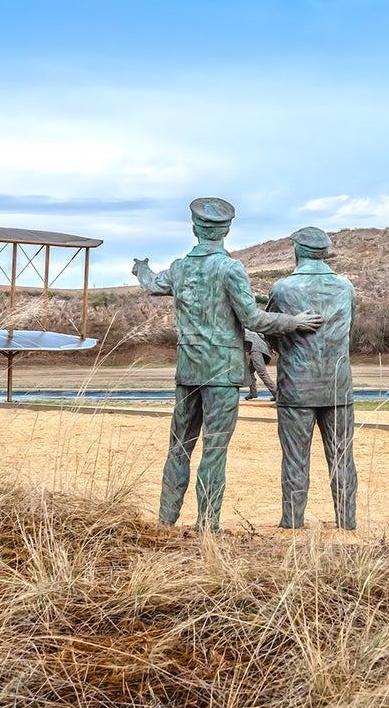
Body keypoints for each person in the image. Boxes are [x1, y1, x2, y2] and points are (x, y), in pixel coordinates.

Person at [134, 198, 322, 531]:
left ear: (195, 229)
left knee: (178, 447)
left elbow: (151, 284)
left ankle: (166, 520)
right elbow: (251, 317)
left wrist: (142, 268)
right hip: (221, 372)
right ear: (227, 230)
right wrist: (293, 321)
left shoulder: (180, 268)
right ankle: (207, 526)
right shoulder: (230, 269)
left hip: (188, 369)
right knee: (214, 450)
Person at [268, 227, 359, 529]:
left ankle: (292, 521)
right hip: (337, 385)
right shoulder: (345, 287)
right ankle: (347, 522)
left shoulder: (283, 289)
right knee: (342, 458)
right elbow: (348, 331)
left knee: (295, 458)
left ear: (297, 250)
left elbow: (269, 331)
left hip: (297, 386)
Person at [243, 330, 277, 400]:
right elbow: (262, 335)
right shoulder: (250, 330)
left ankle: (276, 392)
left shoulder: (239, 330)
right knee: (249, 372)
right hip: (260, 348)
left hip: (256, 350)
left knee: (262, 373)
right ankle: (253, 392)